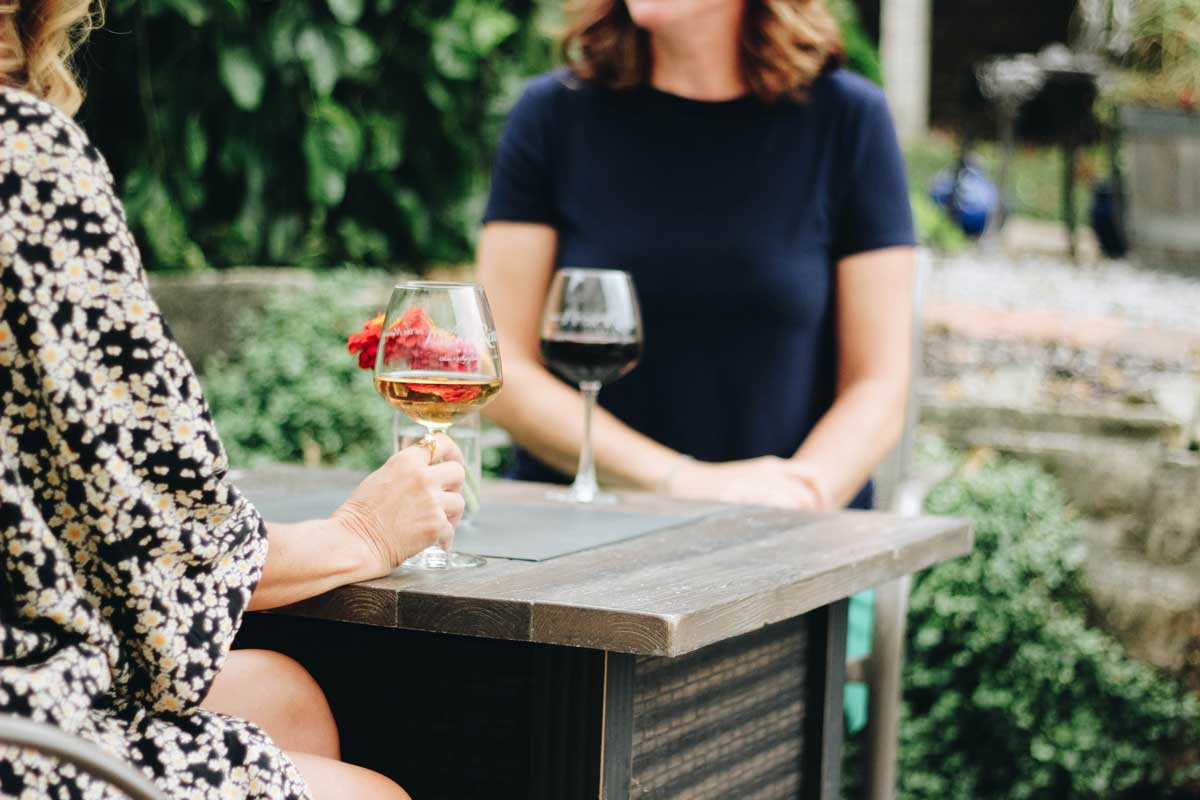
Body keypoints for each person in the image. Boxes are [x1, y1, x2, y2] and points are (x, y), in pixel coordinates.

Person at [0, 3, 465, 798]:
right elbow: (150, 549)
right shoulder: (25, 161)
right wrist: (364, 533)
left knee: (285, 698)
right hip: (21, 735)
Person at [479, 0, 916, 512]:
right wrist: (679, 481)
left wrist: (801, 498)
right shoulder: (552, 113)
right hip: (578, 531)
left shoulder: (848, 119)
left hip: (783, 543)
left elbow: (878, 384)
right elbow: (499, 362)